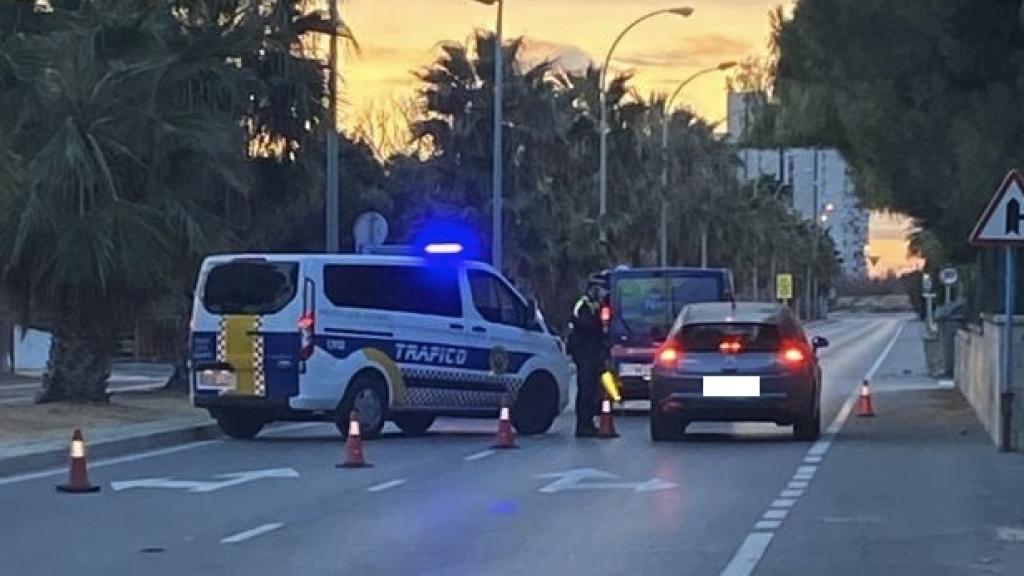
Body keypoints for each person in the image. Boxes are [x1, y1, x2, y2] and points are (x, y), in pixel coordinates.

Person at [567, 278, 606, 437]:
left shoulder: (596, 306)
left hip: (592, 351)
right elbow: (584, 325)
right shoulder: (582, 305)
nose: (602, 292)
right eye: (599, 289)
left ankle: (588, 423)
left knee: (593, 388)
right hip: (583, 352)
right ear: (592, 289)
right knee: (585, 388)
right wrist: (596, 314)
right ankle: (582, 426)